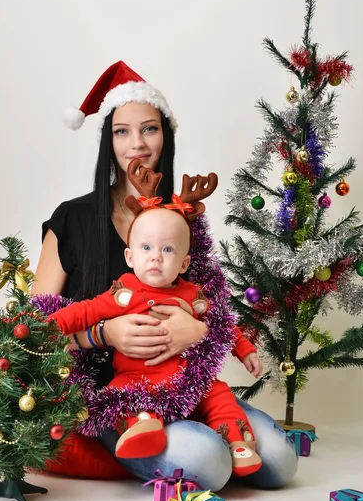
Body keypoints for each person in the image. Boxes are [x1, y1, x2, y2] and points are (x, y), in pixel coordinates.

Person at [32, 60, 298, 491]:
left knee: (281, 462)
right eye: (122, 131)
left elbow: (215, 315)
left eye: (149, 128)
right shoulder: (71, 220)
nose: (136, 143)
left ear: (166, 135)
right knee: (209, 462)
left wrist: (195, 331)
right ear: (108, 141)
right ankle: (167, 446)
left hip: (185, 383)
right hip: (110, 398)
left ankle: (207, 434)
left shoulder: (183, 219)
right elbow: (31, 335)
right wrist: (104, 335)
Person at [48, 166, 264, 478]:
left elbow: (224, 325)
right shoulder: (123, 292)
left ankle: (238, 443)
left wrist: (246, 351)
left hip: (188, 381)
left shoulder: (192, 295)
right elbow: (84, 311)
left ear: (184, 262)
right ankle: (144, 429)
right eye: (146, 248)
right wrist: (51, 325)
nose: (156, 258)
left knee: (219, 395)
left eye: (168, 250)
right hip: (138, 379)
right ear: (130, 256)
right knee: (125, 396)